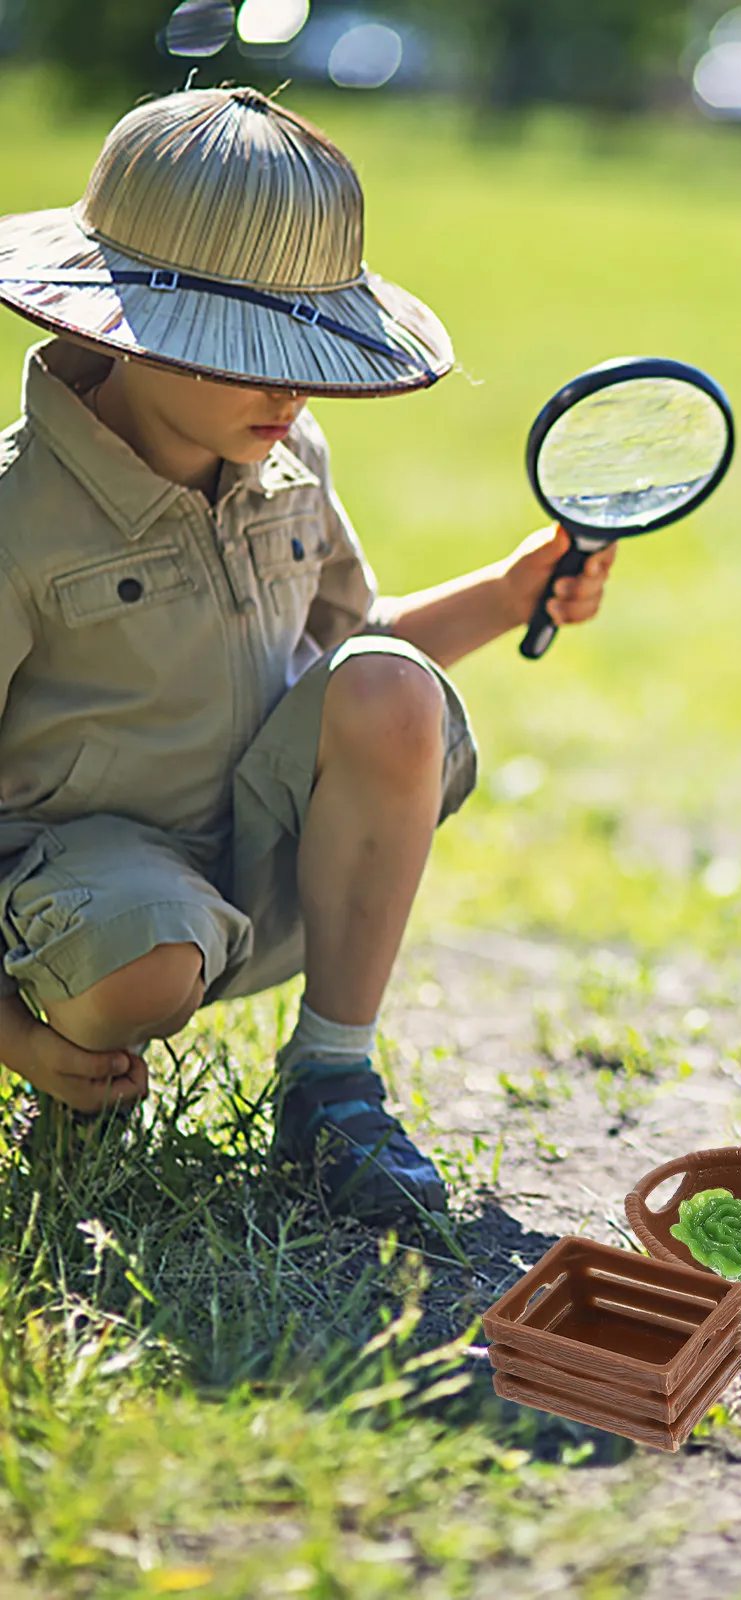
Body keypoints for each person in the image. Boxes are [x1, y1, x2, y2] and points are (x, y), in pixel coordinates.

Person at [0, 87, 616, 1221]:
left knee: (390, 690)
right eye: (250, 351)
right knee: (144, 957)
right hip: (88, 896)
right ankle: (86, 1068)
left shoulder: (291, 456)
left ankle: (332, 1079)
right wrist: (18, 1041)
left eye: (307, 346)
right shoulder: (16, 520)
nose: (292, 385)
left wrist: (506, 594)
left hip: (267, 862)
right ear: (117, 324)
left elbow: (350, 660)